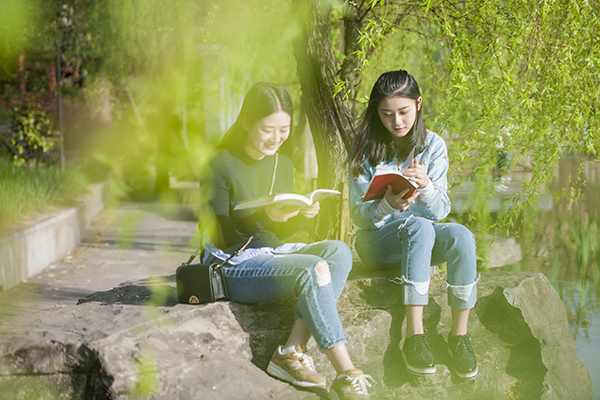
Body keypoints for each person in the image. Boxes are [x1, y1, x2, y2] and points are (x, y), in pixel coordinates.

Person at [202, 82, 374, 399]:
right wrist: (265, 215)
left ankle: (291, 350)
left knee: (338, 252)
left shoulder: (282, 164)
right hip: (232, 264)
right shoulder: (220, 163)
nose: (276, 138)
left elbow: (274, 235)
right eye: (268, 129)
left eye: (284, 130)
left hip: (270, 254)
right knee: (312, 268)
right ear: (246, 122)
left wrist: (299, 216)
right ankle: (346, 373)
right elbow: (222, 235)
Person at [348, 70, 479, 380]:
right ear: (377, 112)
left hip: (421, 239)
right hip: (377, 243)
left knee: (461, 235)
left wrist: (428, 187)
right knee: (418, 227)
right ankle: (414, 337)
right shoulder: (364, 149)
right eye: (387, 114)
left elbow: (441, 211)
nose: (397, 122)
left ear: (418, 104)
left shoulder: (433, 146)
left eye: (404, 112)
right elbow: (357, 216)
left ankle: (459, 337)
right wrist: (385, 205)